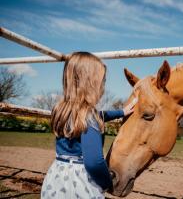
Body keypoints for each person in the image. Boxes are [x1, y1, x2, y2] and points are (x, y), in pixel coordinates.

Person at [41, 52, 136, 199]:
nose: (103, 87)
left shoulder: (60, 110)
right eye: (102, 82)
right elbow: (94, 162)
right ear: (91, 84)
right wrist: (106, 183)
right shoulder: (90, 116)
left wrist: (122, 112)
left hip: (57, 177)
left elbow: (101, 115)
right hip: (80, 182)